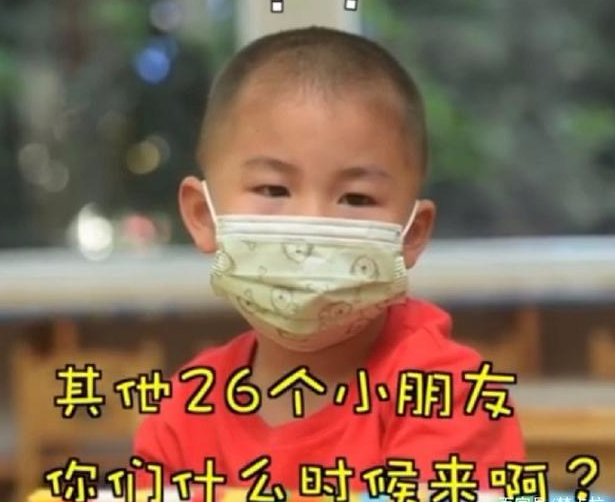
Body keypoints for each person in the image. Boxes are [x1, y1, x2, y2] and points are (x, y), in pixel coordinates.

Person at [133, 26, 525, 493]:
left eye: (356, 198)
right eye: (273, 189)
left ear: (412, 234)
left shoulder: (448, 396)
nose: (311, 224)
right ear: (203, 216)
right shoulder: (185, 409)